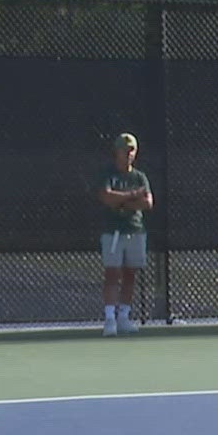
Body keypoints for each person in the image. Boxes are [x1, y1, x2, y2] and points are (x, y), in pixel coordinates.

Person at [95, 132, 153, 335]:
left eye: (132, 150)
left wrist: (121, 200)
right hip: (113, 232)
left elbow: (147, 202)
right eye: (124, 150)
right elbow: (107, 198)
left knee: (130, 275)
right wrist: (132, 196)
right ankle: (109, 319)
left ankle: (123, 317)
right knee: (112, 274)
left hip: (136, 230)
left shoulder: (139, 177)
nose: (128, 154)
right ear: (116, 152)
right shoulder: (107, 174)